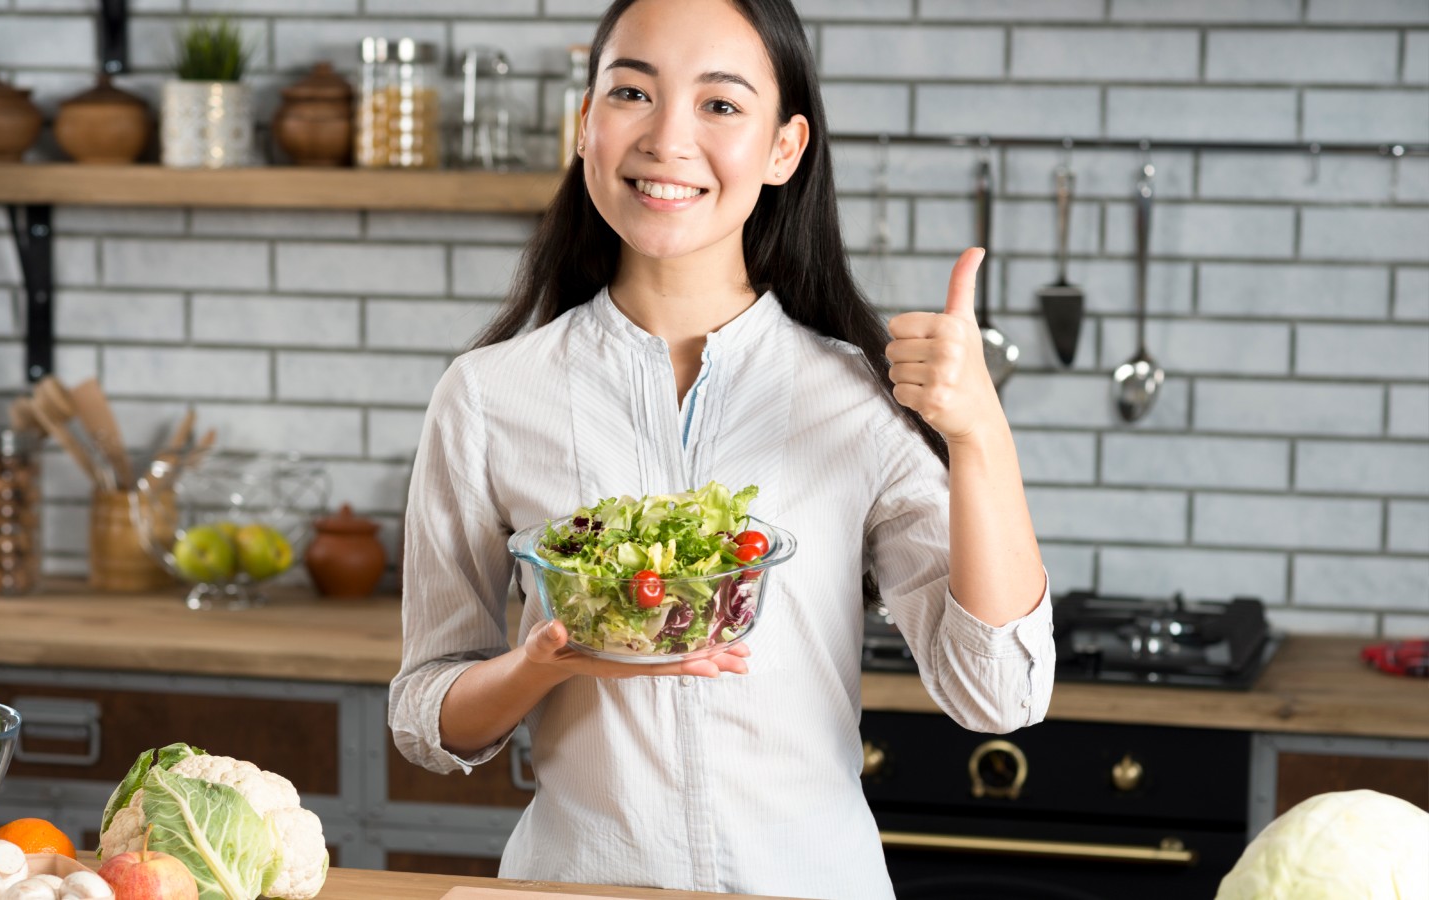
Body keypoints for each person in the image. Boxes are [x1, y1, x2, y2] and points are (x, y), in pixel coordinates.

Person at [389, 0, 1054, 896]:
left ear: (785, 148)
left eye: (721, 104)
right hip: (577, 883)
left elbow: (999, 695)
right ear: (586, 124)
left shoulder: (856, 398)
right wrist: (539, 664)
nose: (667, 139)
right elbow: (427, 716)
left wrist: (979, 435)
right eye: (632, 92)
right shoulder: (488, 396)